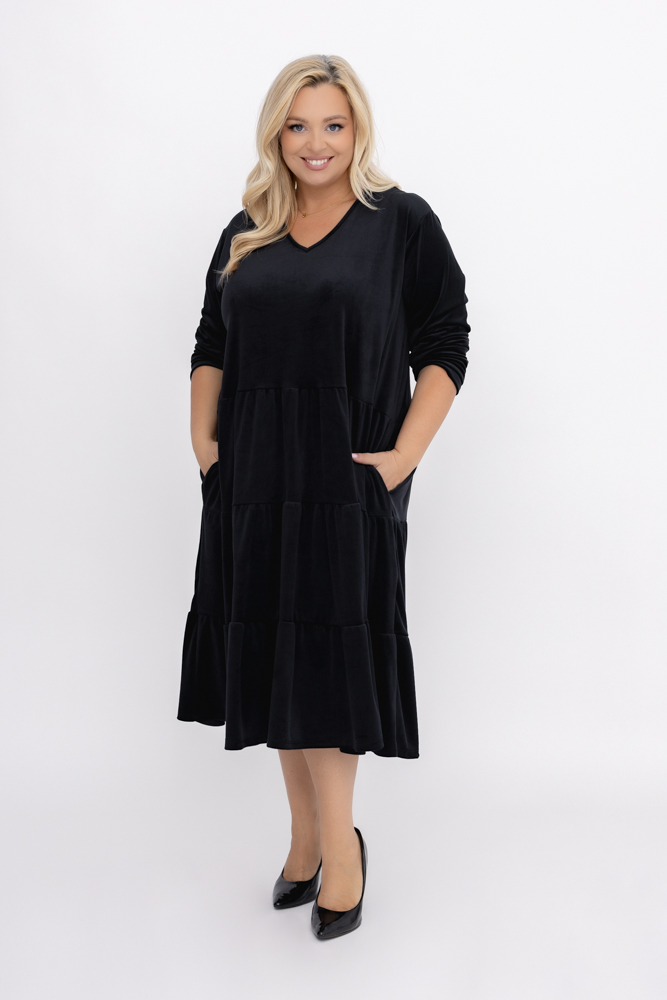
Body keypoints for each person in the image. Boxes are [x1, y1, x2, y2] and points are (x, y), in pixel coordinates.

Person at [177, 54, 470, 940]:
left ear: (357, 130)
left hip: (346, 480)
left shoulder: (400, 223)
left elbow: (445, 340)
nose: (315, 143)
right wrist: (205, 444)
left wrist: (402, 457)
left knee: (328, 666)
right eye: (298, 125)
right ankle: (304, 838)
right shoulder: (248, 228)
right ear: (276, 133)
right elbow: (211, 342)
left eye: (333, 125)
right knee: (274, 652)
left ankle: (340, 846)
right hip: (253, 480)